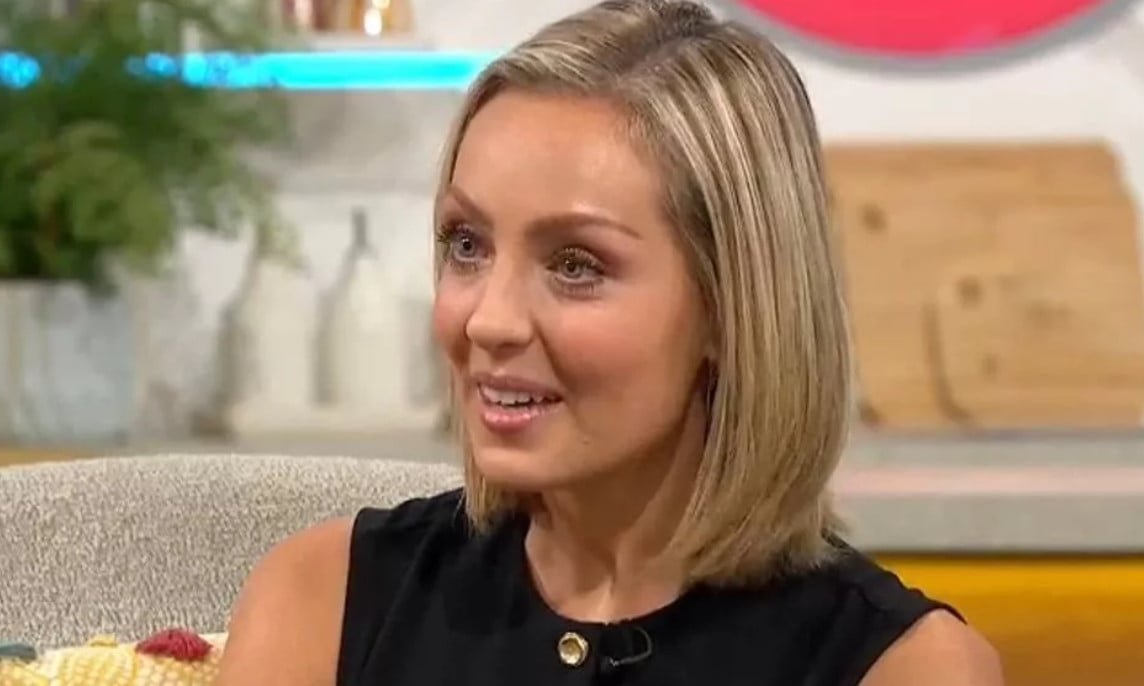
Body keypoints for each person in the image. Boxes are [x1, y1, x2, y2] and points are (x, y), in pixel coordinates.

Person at [215, 1, 1003, 684]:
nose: (488, 320)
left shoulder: (906, 667)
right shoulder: (320, 601)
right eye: (467, 244)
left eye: (575, 265)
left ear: (731, 309)